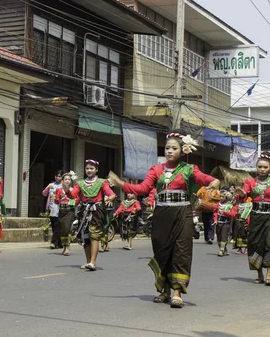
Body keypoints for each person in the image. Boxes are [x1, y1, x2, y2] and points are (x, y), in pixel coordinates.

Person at [109, 132, 219, 308]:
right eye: (167, 148)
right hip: (162, 215)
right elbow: (143, 188)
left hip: (183, 214)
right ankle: (164, 290)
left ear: (182, 151)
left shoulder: (190, 169)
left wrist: (214, 181)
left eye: (174, 148)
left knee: (181, 251)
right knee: (162, 251)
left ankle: (177, 292)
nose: (169, 151)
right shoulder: (156, 170)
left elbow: (204, 179)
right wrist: (121, 184)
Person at [68, 160, 116, 271]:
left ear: (96, 170)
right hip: (84, 211)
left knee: (94, 235)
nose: (89, 170)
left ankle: (93, 262)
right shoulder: (80, 183)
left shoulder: (102, 182)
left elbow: (111, 194)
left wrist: (111, 198)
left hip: (96, 211)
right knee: (85, 236)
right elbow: (73, 195)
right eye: (87, 168)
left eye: (91, 168)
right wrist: (66, 188)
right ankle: (88, 261)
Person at [234, 153, 270, 285]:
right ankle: (259, 274)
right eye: (260, 166)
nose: (262, 169)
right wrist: (242, 194)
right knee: (255, 243)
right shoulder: (250, 182)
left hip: (269, 216)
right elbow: (242, 195)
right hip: (255, 216)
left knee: (269, 243)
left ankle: (269, 274)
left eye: (265, 167)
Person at [54, 171, 78, 256]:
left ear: (71, 181)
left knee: (67, 228)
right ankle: (64, 247)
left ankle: (67, 247)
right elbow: (56, 201)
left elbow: (76, 200)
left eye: (69, 179)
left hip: (69, 211)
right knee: (62, 230)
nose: (67, 181)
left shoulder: (73, 190)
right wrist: (55, 198)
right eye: (65, 179)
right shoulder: (58, 190)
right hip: (61, 211)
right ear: (62, 181)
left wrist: (72, 202)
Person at [212, 187, 237, 257]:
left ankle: (221, 250)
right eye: (220, 196)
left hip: (226, 223)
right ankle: (224, 249)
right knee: (219, 237)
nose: (221, 198)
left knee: (224, 237)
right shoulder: (217, 205)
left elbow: (233, 214)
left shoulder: (230, 206)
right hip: (218, 223)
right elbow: (215, 213)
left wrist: (225, 213)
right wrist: (215, 220)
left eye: (223, 196)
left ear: (226, 197)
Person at [43, 170, 64, 249]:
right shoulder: (51, 185)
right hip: (52, 207)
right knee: (54, 225)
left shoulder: (63, 185)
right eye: (57, 176)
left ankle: (53, 243)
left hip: (60, 207)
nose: (58, 178)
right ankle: (60, 243)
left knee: (58, 225)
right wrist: (47, 188)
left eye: (60, 176)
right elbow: (44, 194)